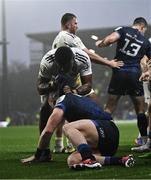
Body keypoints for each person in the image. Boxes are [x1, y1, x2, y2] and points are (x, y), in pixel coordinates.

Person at [51, 13, 124, 152]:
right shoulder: (68, 37)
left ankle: (61, 144)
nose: (77, 26)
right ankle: (102, 137)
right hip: (70, 80)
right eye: (75, 23)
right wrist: (109, 63)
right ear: (68, 24)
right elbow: (88, 55)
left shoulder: (59, 38)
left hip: (65, 79)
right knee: (93, 104)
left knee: (62, 109)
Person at [21, 87, 135, 168]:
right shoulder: (78, 98)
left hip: (106, 128)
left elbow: (48, 131)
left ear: (52, 97)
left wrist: (39, 154)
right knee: (72, 160)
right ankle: (120, 160)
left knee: (67, 127)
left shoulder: (62, 100)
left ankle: (88, 159)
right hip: (108, 143)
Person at [95, 17, 151, 147]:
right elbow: (147, 60)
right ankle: (143, 141)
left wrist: (101, 43)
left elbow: (109, 40)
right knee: (140, 110)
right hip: (134, 75)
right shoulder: (145, 42)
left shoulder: (124, 30)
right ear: (142, 27)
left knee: (110, 107)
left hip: (119, 71)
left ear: (135, 25)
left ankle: (100, 138)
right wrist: (147, 71)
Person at [37, 45, 98, 153]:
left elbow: (88, 85)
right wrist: (52, 86)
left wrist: (75, 92)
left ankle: (93, 143)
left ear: (73, 60)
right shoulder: (47, 61)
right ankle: (44, 150)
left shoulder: (82, 58)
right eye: (60, 65)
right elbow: (40, 88)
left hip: (75, 85)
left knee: (93, 102)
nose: (62, 69)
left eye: (66, 66)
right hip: (55, 84)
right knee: (45, 108)